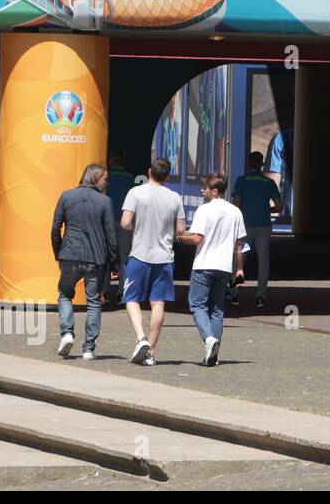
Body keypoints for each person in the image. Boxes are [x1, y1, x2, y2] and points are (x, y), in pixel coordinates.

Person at [120, 158, 187, 366]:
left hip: (139, 254)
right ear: (167, 176)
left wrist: (138, 228)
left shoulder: (135, 193)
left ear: (149, 172)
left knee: (131, 299)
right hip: (164, 257)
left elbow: (125, 223)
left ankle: (140, 337)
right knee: (158, 303)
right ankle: (151, 352)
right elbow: (181, 230)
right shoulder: (174, 197)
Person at [51, 163, 118, 360]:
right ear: (96, 179)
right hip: (95, 259)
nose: (106, 182)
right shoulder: (105, 202)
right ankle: (89, 348)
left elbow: (55, 228)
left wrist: (58, 253)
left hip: (69, 254)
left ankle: (67, 333)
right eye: (105, 179)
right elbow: (111, 236)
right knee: (94, 303)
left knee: (64, 294)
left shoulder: (66, 196)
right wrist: (114, 263)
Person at [179, 174, 246, 367]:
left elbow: (197, 238)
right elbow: (239, 244)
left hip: (204, 264)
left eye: (205, 188)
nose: (202, 190)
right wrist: (239, 268)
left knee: (197, 305)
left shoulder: (204, 210)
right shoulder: (235, 212)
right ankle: (212, 356)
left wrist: (179, 238)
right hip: (224, 266)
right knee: (217, 310)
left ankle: (209, 339)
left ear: (214, 190)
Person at [232, 151, 281, 307]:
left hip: (245, 226)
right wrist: (268, 210)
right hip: (264, 225)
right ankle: (261, 296)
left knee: (240, 259)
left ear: (248, 163)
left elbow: (237, 203)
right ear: (262, 165)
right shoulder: (269, 183)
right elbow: (279, 206)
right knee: (263, 261)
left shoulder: (241, 181)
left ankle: (234, 294)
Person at [105, 148, 135, 305]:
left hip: (108, 221)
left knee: (105, 256)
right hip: (125, 221)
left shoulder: (107, 178)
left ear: (111, 160)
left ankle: (105, 291)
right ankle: (122, 291)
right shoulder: (130, 178)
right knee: (125, 257)